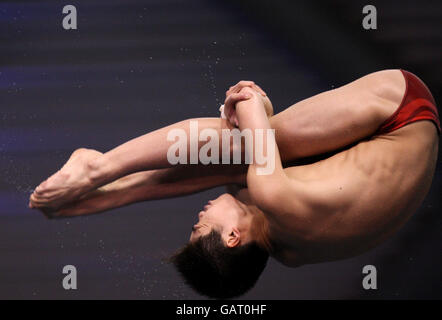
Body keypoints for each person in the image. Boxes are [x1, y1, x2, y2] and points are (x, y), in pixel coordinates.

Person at [29, 69, 440, 299]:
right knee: (246, 147)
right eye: (199, 227)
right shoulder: (273, 195)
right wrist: (254, 105)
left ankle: (109, 194)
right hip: (401, 110)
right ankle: (102, 167)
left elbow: (237, 182)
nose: (198, 214)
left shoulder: (289, 252)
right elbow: (246, 100)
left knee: (241, 168)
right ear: (231, 238)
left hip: (410, 154)